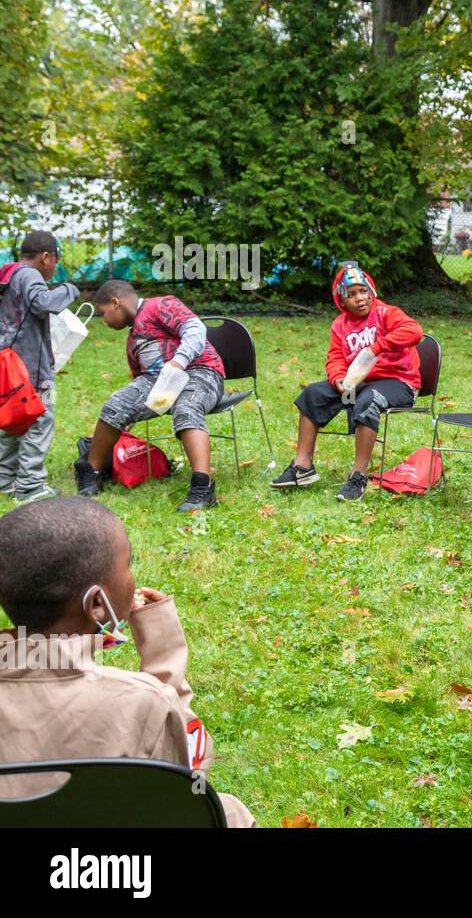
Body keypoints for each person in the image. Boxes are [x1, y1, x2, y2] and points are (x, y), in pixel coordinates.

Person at [0, 498, 255, 826]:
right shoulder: (142, 701)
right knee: (230, 812)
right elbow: (185, 782)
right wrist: (165, 657)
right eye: (128, 564)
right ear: (96, 604)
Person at [271, 265, 422, 502]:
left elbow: (414, 331)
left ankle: (358, 475)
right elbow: (335, 357)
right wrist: (338, 378)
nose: (359, 298)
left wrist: (378, 346)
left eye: (363, 291)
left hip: (399, 382)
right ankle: (302, 466)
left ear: (371, 291)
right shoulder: (340, 325)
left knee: (368, 400)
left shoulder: (386, 313)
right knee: (313, 393)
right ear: (340, 299)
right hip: (358, 382)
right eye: (351, 295)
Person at [74, 281, 225, 512]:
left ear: (115, 303)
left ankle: (202, 488)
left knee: (187, 408)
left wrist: (178, 362)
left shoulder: (160, 305)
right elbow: (140, 380)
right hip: (159, 382)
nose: (104, 321)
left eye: (103, 314)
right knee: (117, 405)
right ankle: (91, 471)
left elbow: (196, 330)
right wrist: (128, 414)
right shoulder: (132, 339)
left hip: (200, 371)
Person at [0, 231, 79, 502]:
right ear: (46, 256)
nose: (55, 266)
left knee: (11, 421)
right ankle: (30, 486)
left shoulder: (8, 274)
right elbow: (44, 302)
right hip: (30, 368)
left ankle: (5, 480)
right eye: (56, 259)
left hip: (7, 364)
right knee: (40, 419)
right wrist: (70, 289)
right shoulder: (30, 275)